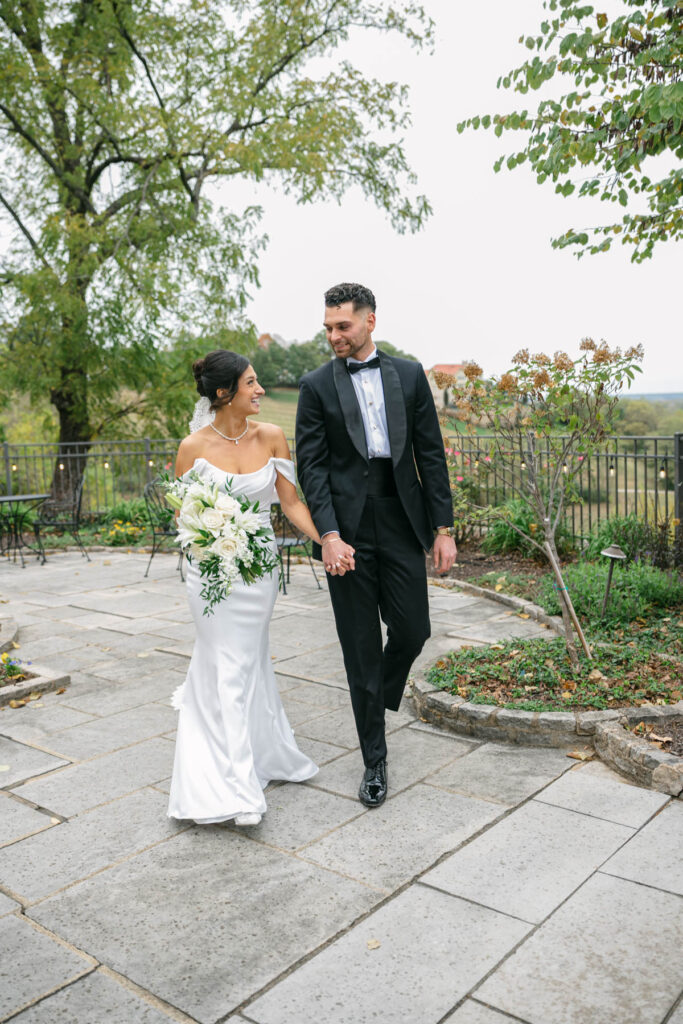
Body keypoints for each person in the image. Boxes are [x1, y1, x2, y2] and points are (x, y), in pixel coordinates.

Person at [295, 283, 457, 808]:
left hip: (401, 515)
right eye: (328, 327)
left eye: (342, 326)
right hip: (348, 530)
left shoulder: (408, 374)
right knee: (360, 648)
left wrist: (443, 528)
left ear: (369, 321)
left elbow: (430, 455)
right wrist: (329, 535)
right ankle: (374, 762)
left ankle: (381, 692)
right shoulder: (316, 385)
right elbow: (312, 468)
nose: (334, 335)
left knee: (414, 628)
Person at [167, 350, 339, 827]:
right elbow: (182, 515)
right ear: (224, 394)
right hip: (211, 574)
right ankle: (236, 785)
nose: (260, 390)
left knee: (248, 662)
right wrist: (211, 534)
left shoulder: (273, 437)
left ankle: (263, 752)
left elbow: (291, 503)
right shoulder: (192, 447)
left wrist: (327, 539)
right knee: (226, 664)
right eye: (251, 383)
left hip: (259, 568)